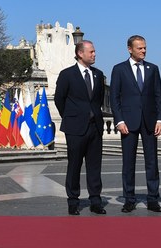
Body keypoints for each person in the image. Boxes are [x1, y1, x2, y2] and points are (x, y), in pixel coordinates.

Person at [110, 35, 161, 213]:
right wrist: (119, 120)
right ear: (129, 49)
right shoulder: (119, 69)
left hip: (150, 122)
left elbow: (159, 95)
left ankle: (153, 199)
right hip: (128, 122)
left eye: (145, 48)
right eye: (140, 48)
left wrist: (160, 119)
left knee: (152, 162)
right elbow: (114, 97)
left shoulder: (153, 69)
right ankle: (129, 199)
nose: (143, 51)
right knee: (128, 162)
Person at [54, 40, 107, 215]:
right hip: (75, 128)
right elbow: (59, 99)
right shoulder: (67, 74)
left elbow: (98, 100)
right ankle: (73, 201)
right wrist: (71, 117)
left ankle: (95, 200)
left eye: (95, 51)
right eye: (91, 52)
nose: (94, 54)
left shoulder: (99, 75)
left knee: (94, 166)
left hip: (95, 128)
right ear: (80, 53)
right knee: (74, 165)